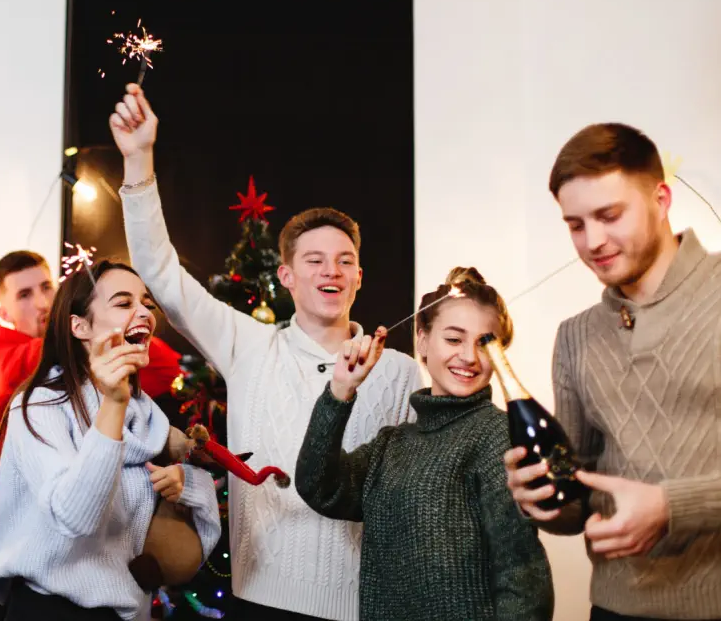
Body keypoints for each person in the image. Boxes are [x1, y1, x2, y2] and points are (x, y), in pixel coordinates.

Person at [110, 83, 422, 621]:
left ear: (359, 278)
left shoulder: (400, 372)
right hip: (262, 601)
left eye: (345, 261)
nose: (331, 271)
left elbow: (417, 491)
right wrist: (139, 159)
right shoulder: (249, 345)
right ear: (286, 276)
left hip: (366, 606)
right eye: (315, 260)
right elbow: (160, 272)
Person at [505, 122, 721, 620]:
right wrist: (544, 500)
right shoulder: (575, 336)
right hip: (612, 609)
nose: (592, 241)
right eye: (576, 224)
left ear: (662, 199)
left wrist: (672, 506)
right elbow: (579, 501)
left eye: (609, 215)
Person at [296, 268, 554, 621]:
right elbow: (318, 487)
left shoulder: (498, 435)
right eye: (453, 339)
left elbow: (522, 576)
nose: (469, 357)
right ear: (422, 341)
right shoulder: (394, 443)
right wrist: (340, 390)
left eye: (484, 342)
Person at [0, 260, 222, 621]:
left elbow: (191, 539)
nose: (144, 312)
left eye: (147, 303)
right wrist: (112, 404)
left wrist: (187, 485)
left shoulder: (146, 414)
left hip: (123, 612)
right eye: (125, 303)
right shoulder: (40, 406)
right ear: (79, 326)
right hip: (49, 610)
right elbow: (75, 518)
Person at [0, 250, 183, 432]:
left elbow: (171, 371)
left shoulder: (99, 336)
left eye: (46, 287)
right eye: (24, 295)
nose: (42, 303)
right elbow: (10, 373)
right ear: (3, 313)